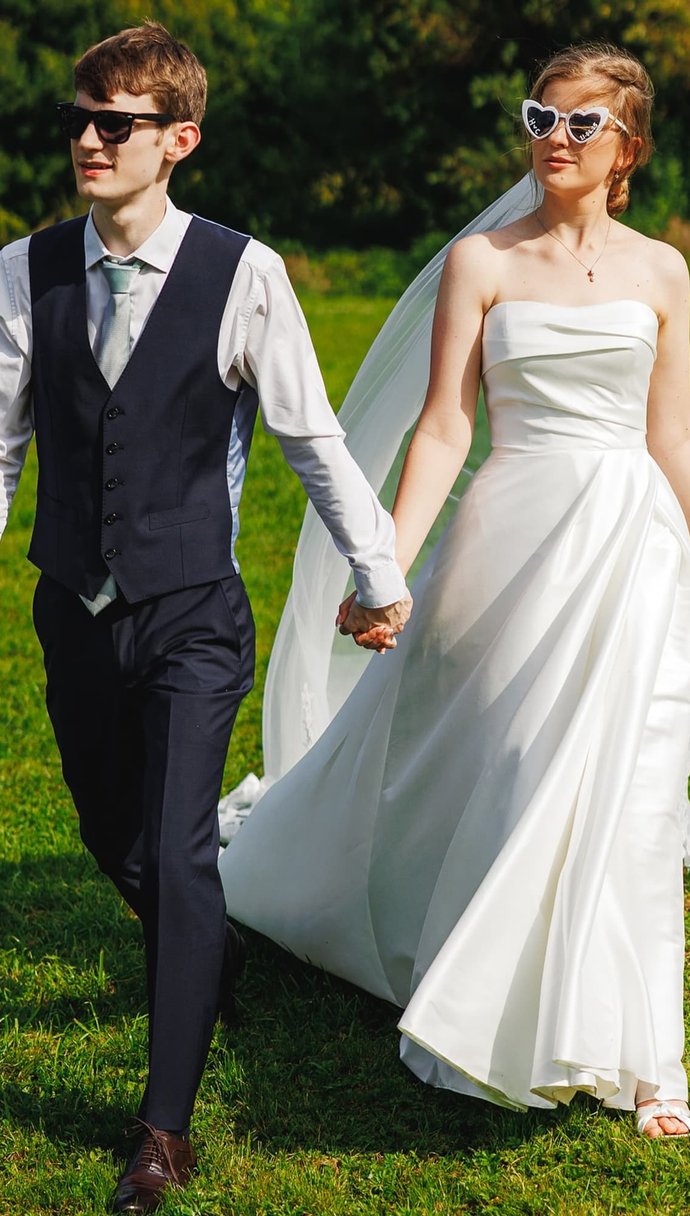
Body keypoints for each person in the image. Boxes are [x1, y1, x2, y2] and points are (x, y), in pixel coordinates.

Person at [219, 42, 690, 1141]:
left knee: (633, 783)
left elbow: (670, 432)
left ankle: (644, 1056)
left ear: (628, 146)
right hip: (510, 533)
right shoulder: (483, 260)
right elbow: (446, 425)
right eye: (541, 116)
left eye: (583, 124)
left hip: (631, 543)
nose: (555, 139)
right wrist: (381, 564)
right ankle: (465, 971)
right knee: (504, 757)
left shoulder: (665, 273)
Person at [0, 21, 411, 1213]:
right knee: (112, 838)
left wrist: (376, 572)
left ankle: (162, 1129)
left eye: (114, 123)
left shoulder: (248, 274)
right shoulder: (27, 270)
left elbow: (310, 442)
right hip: (73, 608)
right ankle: (213, 951)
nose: (87, 138)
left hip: (192, 614)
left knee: (180, 847)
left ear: (177, 141)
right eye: (80, 117)